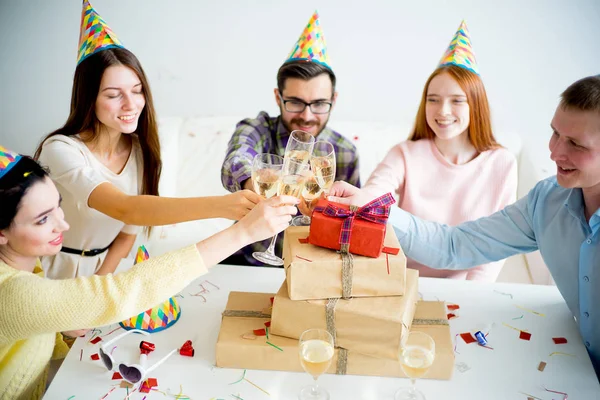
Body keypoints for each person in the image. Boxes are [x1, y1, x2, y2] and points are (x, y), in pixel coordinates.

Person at [328, 75, 600, 377]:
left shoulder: (500, 162)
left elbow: (483, 266)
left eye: (575, 144)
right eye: (555, 134)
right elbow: (455, 245)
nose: (555, 152)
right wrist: (372, 202)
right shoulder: (546, 201)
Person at [0, 146, 298, 399]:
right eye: (42, 220)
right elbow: (123, 292)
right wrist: (242, 233)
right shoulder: (13, 293)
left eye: (58, 207)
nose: (63, 225)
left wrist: (58, 326)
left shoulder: (28, 267)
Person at [35, 1, 261, 279]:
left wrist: (99, 284)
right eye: (114, 94)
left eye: (137, 90)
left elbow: (126, 235)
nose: (131, 104)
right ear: (88, 99)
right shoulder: (60, 150)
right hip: (55, 271)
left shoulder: (141, 151)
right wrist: (223, 205)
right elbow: (126, 208)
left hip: (108, 272)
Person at [362, 21, 517, 282]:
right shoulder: (405, 154)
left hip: (464, 288)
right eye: (433, 100)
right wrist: (362, 200)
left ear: (476, 105)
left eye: (457, 101)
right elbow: (375, 192)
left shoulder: (501, 163)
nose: (442, 111)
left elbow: (496, 245)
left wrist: (470, 298)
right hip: (402, 280)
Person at [220, 11, 361, 266]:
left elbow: (351, 226)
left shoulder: (345, 152)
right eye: (295, 102)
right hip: (247, 262)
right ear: (278, 97)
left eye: (319, 104)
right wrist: (259, 182)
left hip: (313, 267)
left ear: (334, 100)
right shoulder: (258, 128)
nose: (307, 116)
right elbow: (236, 160)